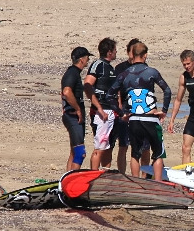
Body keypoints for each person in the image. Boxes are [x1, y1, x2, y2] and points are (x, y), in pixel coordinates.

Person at [106, 42, 171, 181]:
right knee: (158, 153)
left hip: (134, 119)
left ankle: (135, 182)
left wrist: (121, 112)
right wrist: (164, 110)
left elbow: (109, 95)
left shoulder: (124, 74)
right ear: (145, 55)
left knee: (135, 153)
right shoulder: (151, 72)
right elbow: (167, 90)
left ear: (132, 54)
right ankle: (157, 183)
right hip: (150, 118)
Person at [114, 38, 150, 173]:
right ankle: (123, 175)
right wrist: (119, 109)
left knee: (145, 147)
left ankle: (144, 176)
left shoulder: (145, 67)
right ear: (129, 51)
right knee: (123, 145)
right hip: (126, 107)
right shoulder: (120, 68)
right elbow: (116, 89)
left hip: (142, 109)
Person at [83, 37, 118, 170]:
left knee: (108, 146)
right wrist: (99, 108)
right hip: (102, 112)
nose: (116, 53)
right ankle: (93, 176)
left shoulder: (109, 67)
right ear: (109, 52)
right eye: (115, 50)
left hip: (110, 111)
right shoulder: (98, 65)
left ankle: (105, 175)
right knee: (100, 147)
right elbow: (87, 85)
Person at [61, 46, 92, 171]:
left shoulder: (73, 73)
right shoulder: (72, 73)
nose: (88, 60)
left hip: (71, 115)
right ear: (81, 60)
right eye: (87, 57)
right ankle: (73, 184)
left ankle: (66, 183)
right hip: (73, 116)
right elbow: (66, 92)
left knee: (74, 152)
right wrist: (78, 109)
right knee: (80, 153)